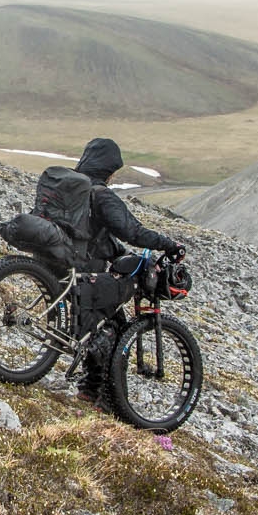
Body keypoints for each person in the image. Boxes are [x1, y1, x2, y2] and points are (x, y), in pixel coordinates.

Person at [71, 137, 184, 400]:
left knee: (107, 319)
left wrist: (121, 254)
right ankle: (103, 397)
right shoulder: (99, 194)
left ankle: (91, 389)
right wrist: (168, 245)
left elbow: (93, 236)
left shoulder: (69, 191)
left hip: (56, 269)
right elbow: (131, 230)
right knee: (116, 325)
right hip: (86, 274)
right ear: (108, 170)